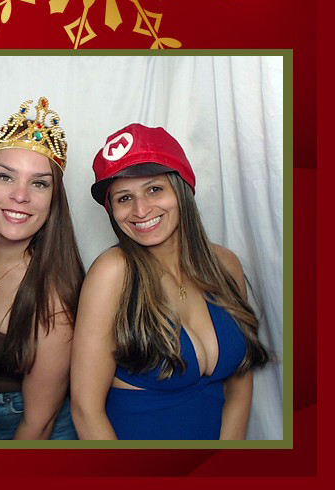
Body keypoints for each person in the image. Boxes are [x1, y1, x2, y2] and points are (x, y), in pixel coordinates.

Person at [70, 123, 271, 440]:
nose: (140, 210)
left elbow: (239, 385)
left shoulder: (225, 265)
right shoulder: (113, 273)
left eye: (154, 189)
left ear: (182, 189)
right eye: (124, 198)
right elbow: (86, 409)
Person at [0, 98, 83, 439]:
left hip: (22, 423)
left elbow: (38, 424)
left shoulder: (54, 300)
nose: (19, 196)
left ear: (54, 199)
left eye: (39, 183)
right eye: (5, 177)